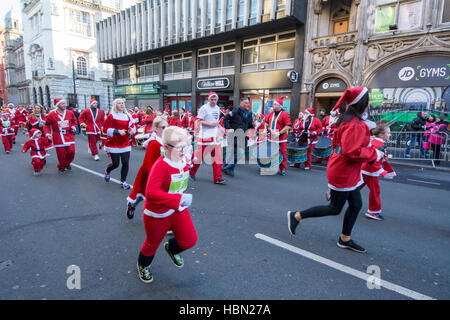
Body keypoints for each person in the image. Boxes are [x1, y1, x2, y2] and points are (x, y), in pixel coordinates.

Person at [287, 87, 383, 253]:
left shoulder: (349, 120)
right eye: (368, 100)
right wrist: (374, 152)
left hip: (344, 168)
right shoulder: (355, 124)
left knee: (356, 204)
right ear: (362, 103)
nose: (370, 103)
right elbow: (351, 151)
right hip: (344, 170)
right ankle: (296, 216)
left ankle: (345, 238)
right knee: (335, 208)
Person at [137, 126, 197, 283]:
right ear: (166, 148)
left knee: (189, 240)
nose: (183, 151)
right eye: (179, 148)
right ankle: (143, 266)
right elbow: (151, 193)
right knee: (152, 244)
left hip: (177, 209)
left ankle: (171, 248)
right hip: (157, 213)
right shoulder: (161, 166)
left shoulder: (182, 158)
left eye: (185, 146)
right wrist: (178, 200)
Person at [126, 116, 167, 219]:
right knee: (142, 195)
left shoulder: (167, 141)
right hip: (151, 174)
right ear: (156, 128)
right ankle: (132, 205)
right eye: (163, 127)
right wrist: (154, 176)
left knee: (164, 198)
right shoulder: (154, 143)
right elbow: (148, 162)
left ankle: (166, 221)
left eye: (167, 127)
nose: (166, 130)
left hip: (164, 173)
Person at [360, 124, 396, 221]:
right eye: (388, 133)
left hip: (366, 169)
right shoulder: (378, 144)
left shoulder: (376, 142)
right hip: (370, 170)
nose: (390, 135)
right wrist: (382, 171)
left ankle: (337, 197)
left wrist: (384, 157)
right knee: (375, 191)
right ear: (381, 134)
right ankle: (373, 211)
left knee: (355, 186)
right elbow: (371, 159)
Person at [189, 91, 226, 184]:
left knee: (217, 157)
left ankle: (218, 178)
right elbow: (198, 120)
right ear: (208, 99)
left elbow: (216, 121)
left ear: (217, 100)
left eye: (215, 99)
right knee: (199, 157)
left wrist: (219, 128)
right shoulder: (204, 108)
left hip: (215, 136)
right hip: (205, 136)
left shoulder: (217, 108)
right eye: (211, 99)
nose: (213, 101)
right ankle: (190, 172)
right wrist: (210, 124)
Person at [103, 98, 136, 189]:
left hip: (125, 143)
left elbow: (133, 126)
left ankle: (123, 181)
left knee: (125, 163)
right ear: (115, 105)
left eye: (122, 103)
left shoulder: (128, 116)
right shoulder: (111, 116)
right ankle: (108, 170)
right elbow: (105, 129)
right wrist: (117, 131)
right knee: (116, 164)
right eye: (119, 103)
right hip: (113, 143)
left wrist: (129, 130)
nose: (122, 105)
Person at [222, 97, 254, 177]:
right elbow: (225, 118)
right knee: (239, 153)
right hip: (234, 135)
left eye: (248, 103)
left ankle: (225, 166)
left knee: (233, 153)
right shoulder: (235, 111)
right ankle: (229, 168)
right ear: (241, 103)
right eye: (246, 103)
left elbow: (249, 124)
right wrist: (229, 128)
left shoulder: (249, 113)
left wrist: (253, 125)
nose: (248, 104)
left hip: (243, 136)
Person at [44, 99, 77, 173]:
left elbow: (74, 121)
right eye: (62, 104)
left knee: (71, 152)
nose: (65, 105)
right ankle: (62, 166)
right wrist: (48, 134)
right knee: (61, 154)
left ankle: (67, 163)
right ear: (57, 105)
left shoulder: (69, 113)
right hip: (58, 136)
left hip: (69, 135)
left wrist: (74, 127)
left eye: (65, 103)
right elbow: (46, 125)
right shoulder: (51, 114)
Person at [265, 97, 292, 175]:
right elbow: (266, 122)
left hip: (281, 138)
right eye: (273, 104)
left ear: (279, 106)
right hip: (271, 138)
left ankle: (283, 168)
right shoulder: (271, 113)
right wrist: (267, 127)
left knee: (283, 153)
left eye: (275, 104)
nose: (273, 105)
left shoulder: (285, 114)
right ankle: (272, 166)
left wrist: (279, 133)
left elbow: (288, 126)